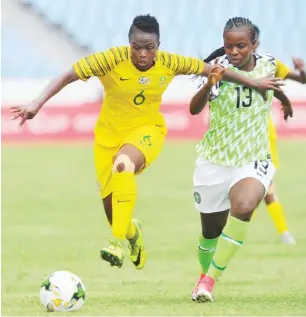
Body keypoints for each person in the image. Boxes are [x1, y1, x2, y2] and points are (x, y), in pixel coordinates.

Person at [10, 15, 283, 270]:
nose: (143, 54)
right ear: (129, 45)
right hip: (107, 137)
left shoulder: (169, 61)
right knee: (113, 211)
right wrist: (37, 102)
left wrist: (255, 83)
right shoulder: (110, 59)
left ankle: (115, 244)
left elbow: (213, 69)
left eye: (149, 48)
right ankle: (131, 233)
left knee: (123, 164)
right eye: (137, 47)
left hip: (147, 131)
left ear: (158, 46)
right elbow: (68, 75)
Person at [189, 17, 293, 302]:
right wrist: (208, 84)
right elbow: (194, 109)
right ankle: (202, 275)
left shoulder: (269, 64)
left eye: (241, 46)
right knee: (210, 233)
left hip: (254, 157)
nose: (234, 52)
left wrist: (285, 101)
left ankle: (210, 280)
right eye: (229, 46)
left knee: (245, 207)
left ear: (254, 44)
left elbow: (271, 85)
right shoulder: (216, 68)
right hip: (215, 159)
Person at [252, 24, 305, 244]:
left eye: (249, 43)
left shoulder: (268, 65)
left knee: (265, 185)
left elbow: (301, 80)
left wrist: (302, 71)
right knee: (250, 188)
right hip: (234, 136)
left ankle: (284, 233)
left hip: (262, 135)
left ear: (256, 43)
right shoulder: (230, 68)